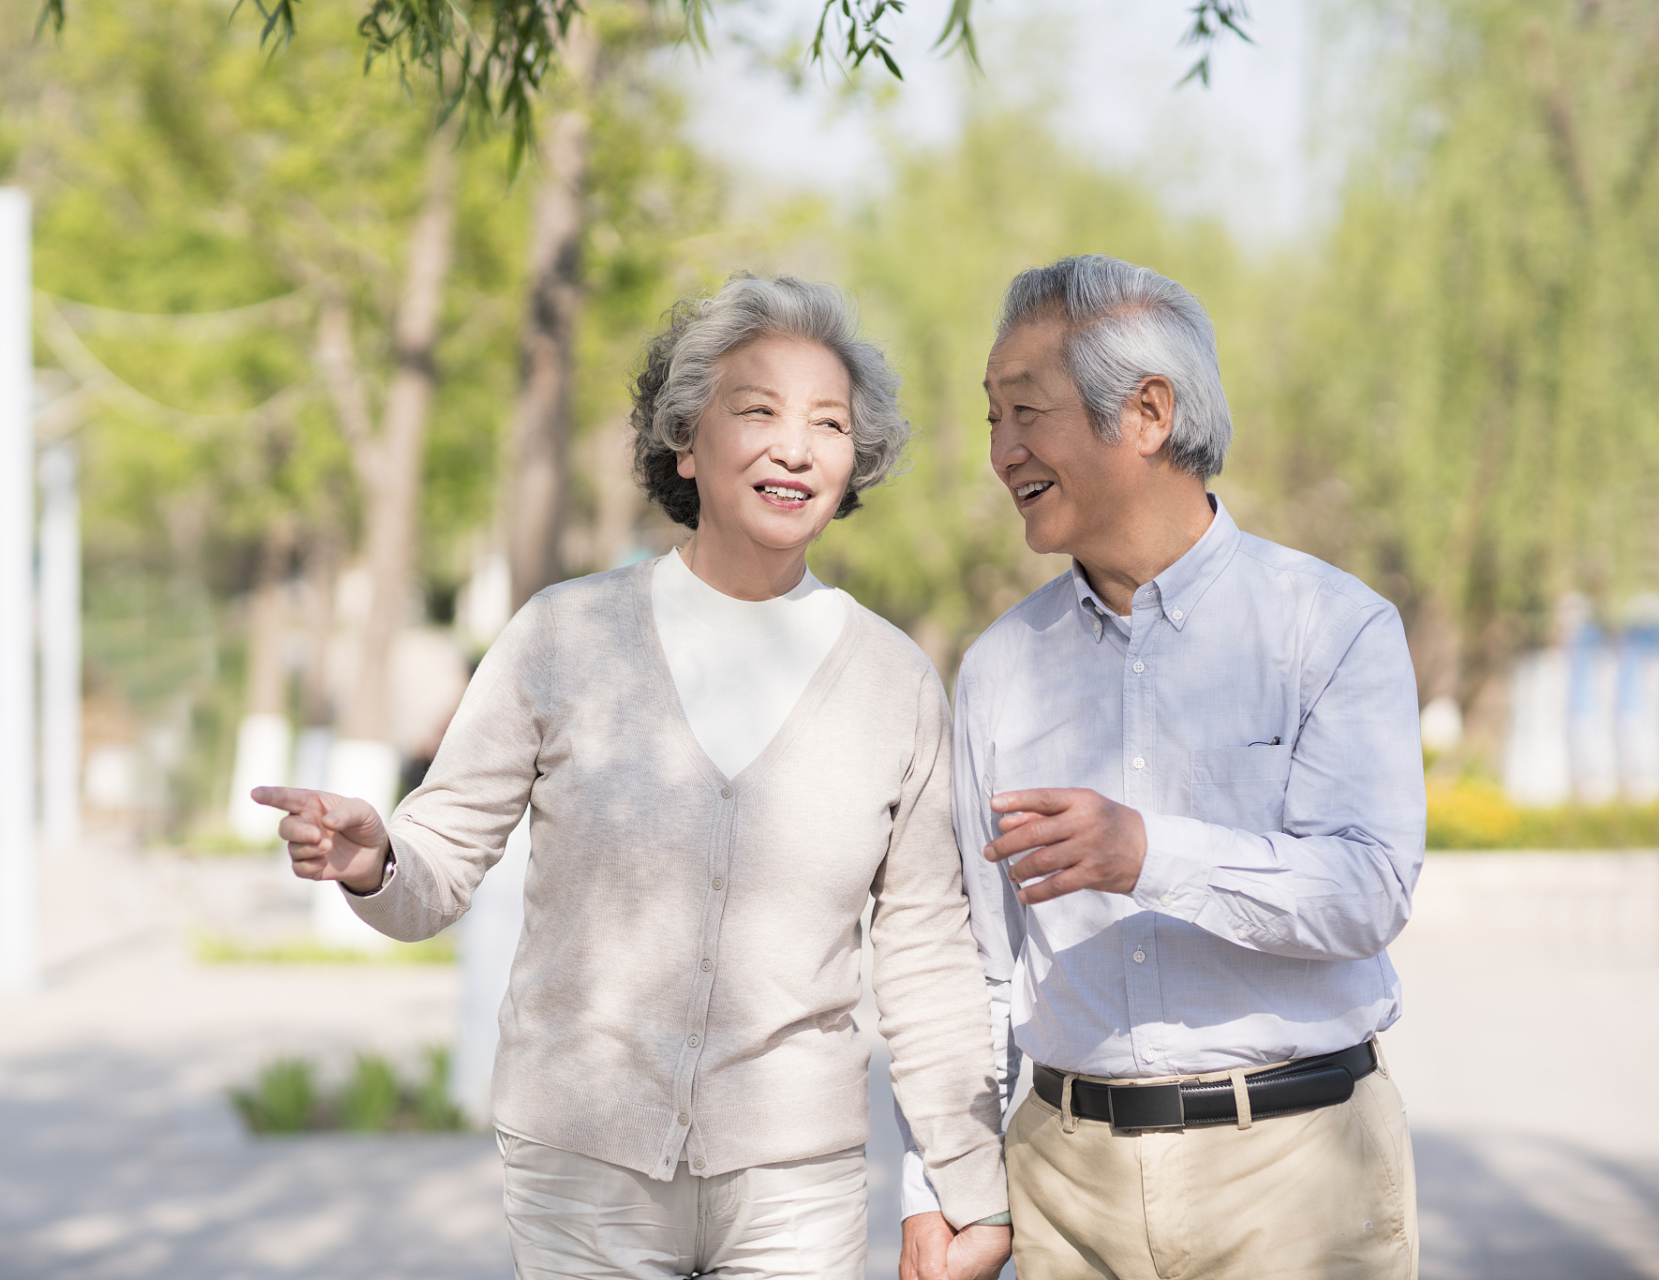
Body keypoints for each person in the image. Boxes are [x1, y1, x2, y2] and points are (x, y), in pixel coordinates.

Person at [257, 275, 1011, 1280]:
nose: (795, 445)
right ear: (685, 445)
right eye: (758, 411)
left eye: (827, 423)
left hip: (797, 1181)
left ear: (851, 461)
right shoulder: (565, 636)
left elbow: (925, 952)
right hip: (582, 1169)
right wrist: (375, 857)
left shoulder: (895, 684)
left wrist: (967, 1181)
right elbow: (434, 866)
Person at [898, 254, 1425, 1280]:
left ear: (1145, 411)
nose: (998, 452)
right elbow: (975, 960)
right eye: (991, 416)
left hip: (1297, 1173)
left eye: (1024, 412)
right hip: (1064, 1185)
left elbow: (1367, 889)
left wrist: (1144, 851)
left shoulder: (1331, 626)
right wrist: (941, 1185)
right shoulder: (999, 667)